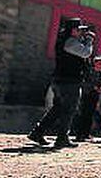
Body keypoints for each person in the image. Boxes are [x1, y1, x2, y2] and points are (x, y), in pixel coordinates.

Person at [27, 19, 95, 149]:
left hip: (62, 80)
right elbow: (86, 53)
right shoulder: (70, 42)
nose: (80, 32)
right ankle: (62, 138)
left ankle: (38, 132)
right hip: (69, 81)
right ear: (72, 30)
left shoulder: (67, 41)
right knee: (69, 110)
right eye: (78, 29)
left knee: (57, 109)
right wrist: (89, 41)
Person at [73, 55, 101, 142]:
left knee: (90, 114)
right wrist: (93, 87)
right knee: (83, 114)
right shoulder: (89, 71)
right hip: (86, 94)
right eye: (100, 63)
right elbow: (84, 82)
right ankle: (79, 134)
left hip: (95, 95)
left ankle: (86, 133)